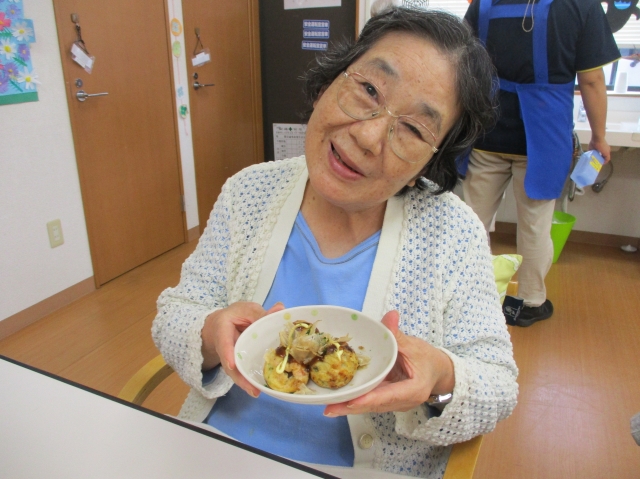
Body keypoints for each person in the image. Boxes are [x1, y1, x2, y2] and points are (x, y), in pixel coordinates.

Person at [152, 8, 518, 479]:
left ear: (430, 162)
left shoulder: (453, 232)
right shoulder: (248, 192)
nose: (367, 136)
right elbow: (176, 313)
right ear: (330, 80)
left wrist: (441, 376)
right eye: (369, 90)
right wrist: (209, 330)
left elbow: (498, 383)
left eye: (413, 129)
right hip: (215, 451)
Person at [462, 0, 620, 327]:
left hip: (486, 133)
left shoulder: (484, 4)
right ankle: (530, 301)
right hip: (544, 139)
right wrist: (599, 137)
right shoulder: (580, 6)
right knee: (535, 226)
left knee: (471, 222)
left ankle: (469, 297)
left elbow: (459, 66)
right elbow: (592, 81)